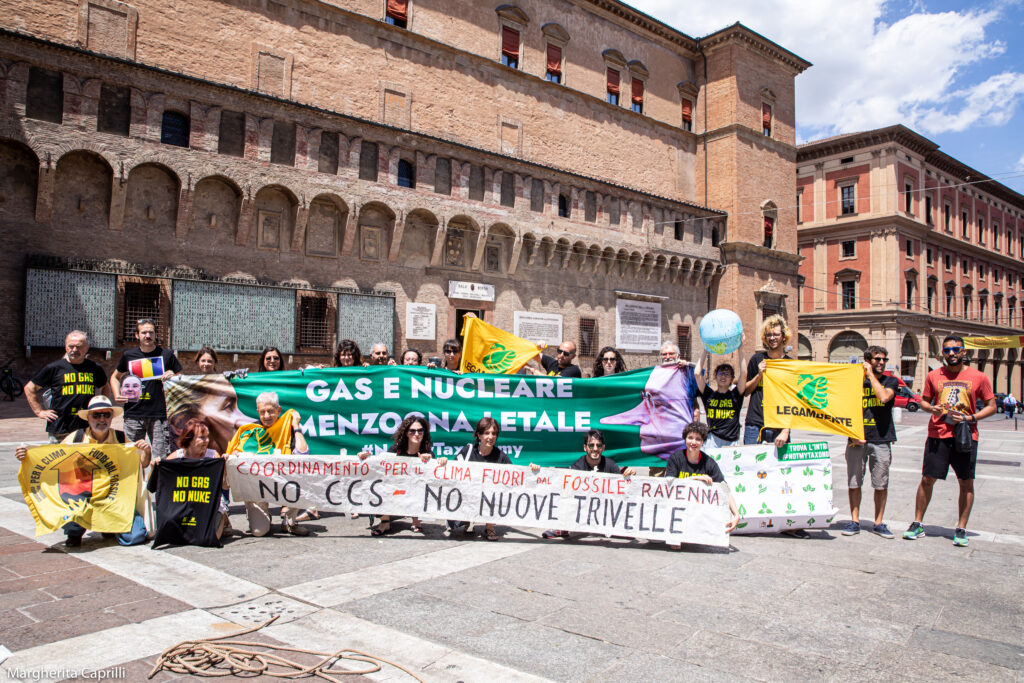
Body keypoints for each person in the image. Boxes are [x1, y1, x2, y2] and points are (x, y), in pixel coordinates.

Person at [16, 395, 152, 547]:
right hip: (83, 498)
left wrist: (146, 452)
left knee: (136, 537)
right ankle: (74, 531)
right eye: (96, 415)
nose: (102, 419)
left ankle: (108, 526)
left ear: (111, 417)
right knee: (71, 518)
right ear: (88, 417)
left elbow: (141, 464)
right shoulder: (76, 438)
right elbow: (51, 459)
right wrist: (26, 455)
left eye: (106, 414)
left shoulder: (121, 438)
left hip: (113, 499)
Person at [905, 336, 996, 547]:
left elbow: (991, 406)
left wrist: (970, 418)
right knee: (927, 479)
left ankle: (961, 527)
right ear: (942, 354)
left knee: (966, 481)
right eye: (947, 350)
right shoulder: (933, 375)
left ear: (964, 352)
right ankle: (917, 523)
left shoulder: (979, 377)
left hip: (965, 435)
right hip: (938, 433)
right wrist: (931, 408)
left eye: (956, 349)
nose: (952, 353)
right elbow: (924, 402)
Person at [227, 391, 311, 536]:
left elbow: (303, 454)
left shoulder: (287, 428)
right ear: (257, 412)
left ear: (278, 410)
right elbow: (233, 456)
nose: (266, 416)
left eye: (270, 411)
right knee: (259, 532)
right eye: (262, 412)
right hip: (257, 488)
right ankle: (258, 513)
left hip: (283, 481)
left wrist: (296, 427)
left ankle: (289, 521)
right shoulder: (249, 432)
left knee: (302, 473)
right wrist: (235, 456)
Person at [842, 346, 899, 539]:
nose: (882, 362)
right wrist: (851, 434)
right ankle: (854, 520)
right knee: (854, 482)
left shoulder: (890, 381)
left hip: (881, 439)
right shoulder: (854, 383)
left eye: (884, 359)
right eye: (877, 359)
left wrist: (869, 375)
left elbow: (883, 397)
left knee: (880, 484)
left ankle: (878, 522)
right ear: (867, 360)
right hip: (856, 439)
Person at [451, 417, 540, 540]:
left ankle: (489, 527)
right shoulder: (468, 451)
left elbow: (515, 476)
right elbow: (452, 471)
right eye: (487, 433)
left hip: (488, 499)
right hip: (468, 496)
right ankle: (468, 521)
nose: (491, 437)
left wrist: (531, 470)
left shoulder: (500, 456)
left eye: (494, 433)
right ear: (479, 435)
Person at [110, 318, 182, 462]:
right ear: (137, 335)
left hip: (159, 415)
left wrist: (173, 376)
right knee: (130, 457)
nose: (148, 336)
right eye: (144, 332)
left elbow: (181, 377)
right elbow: (114, 377)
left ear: (155, 335)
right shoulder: (128, 356)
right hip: (133, 414)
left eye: (151, 332)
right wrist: (117, 394)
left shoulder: (166, 355)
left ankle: (155, 485)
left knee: (159, 459)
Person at [542, 429, 635, 539]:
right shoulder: (578, 466)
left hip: (603, 510)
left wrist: (630, 474)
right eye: (591, 445)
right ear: (585, 448)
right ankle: (562, 527)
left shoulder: (610, 464)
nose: (595, 449)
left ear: (603, 448)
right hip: (583, 509)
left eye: (598, 445)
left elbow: (623, 488)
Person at [663, 421, 741, 548]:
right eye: (690, 438)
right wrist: (697, 478)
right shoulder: (675, 458)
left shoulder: (709, 463)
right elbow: (669, 484)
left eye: (698, 439)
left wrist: (736, 514)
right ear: (685, 439)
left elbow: (724, 489)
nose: (693, 442)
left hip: (697, 511)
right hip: (676, 507)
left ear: (703, 442)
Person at [24, 330, 108, 443]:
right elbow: (30, 388)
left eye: (78, 347)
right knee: (59, 459)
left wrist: (102, 407)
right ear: (65, 347)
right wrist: (39, 412)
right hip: (60, 427)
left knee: (85, 460)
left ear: (87, 347)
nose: (74, 350)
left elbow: (105, 387)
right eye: (71, 346)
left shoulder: (94, 368)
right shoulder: (54, 368)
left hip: (86, 426)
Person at [357, 416, 435, 536]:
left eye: (420, 431)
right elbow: (382, 467)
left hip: (415, 490)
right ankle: (385, 521)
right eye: (412, 431)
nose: (417, 434)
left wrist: (432, 461)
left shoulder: (427, 452)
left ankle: (416, 520)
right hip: (397, 489)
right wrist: (366, 458)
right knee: (380, 485)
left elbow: (433, 477)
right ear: (406, 433)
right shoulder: (396, 450)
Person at [157, 419, 229, 540]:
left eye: (207, 437)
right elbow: (155, 482)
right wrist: (156, 466)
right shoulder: (177, 456)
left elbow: (225, 486)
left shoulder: (212, 456)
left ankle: (223, 517)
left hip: (209, 506)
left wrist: (224, 467)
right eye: (202, 438)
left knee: (212, 537)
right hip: (184, 505)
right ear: (189, 439)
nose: (206, 441)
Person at [743, 315, 792, 449]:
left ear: (783, 336)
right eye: (768, 335)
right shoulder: (756, 359)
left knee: (779, 469)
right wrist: (758, 375)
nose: (772, 338)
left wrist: (786, 430)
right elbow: (746, 391)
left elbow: (793, 400)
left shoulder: (790, 364)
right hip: (755, 424)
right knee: (752, 466)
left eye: (775, 334)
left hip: (779, 426)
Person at [695, 341, 745, 449]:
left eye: (727, 374)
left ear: (732, 378)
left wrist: (740, 348)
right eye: (720, 373)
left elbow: (744, 374)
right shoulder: (709, 395)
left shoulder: (736, 395)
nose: (723, 376)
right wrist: (705, 350)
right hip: (713, 439)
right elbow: (697, 373)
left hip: (731, 442)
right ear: (715, 376)